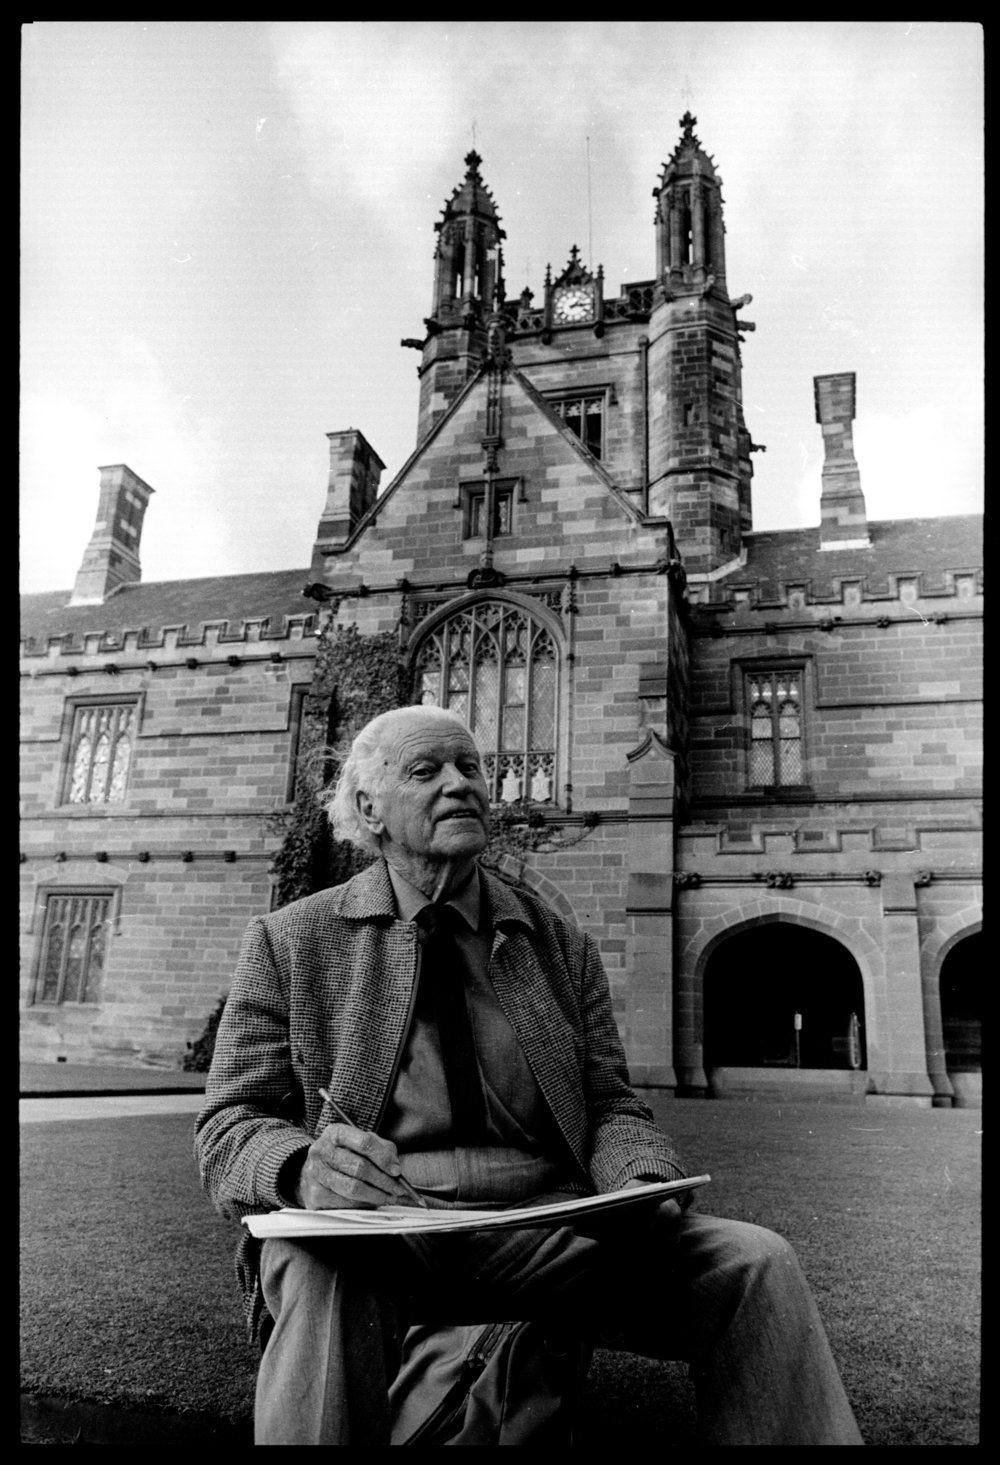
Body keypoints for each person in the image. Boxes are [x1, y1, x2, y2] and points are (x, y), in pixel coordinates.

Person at [195, 705, 864, 1446]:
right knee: (316, 1258)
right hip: (384, 1231)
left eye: (471, 767)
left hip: (553, 1223)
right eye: (427, 771)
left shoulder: (558, 942)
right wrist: (300, 1168)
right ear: (368, 809)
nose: (462, 784)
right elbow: (231, 1125)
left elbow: (611, 1102)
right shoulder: (292, 940)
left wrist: (640, 1178)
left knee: (755, 1265)